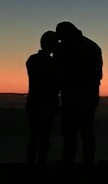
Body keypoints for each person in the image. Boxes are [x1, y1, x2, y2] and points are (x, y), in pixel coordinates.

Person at [55, 20, 103, 166]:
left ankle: (68, 164)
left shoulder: (65, 48)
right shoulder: (92, 46)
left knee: (70, 134)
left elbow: (60, 73)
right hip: (89, 96)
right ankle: (87, 163)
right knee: (87, 132)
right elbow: (97, 75)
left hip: (72, 97)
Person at [25, 30, 60, 167]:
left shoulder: (32, 60)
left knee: (34, 136)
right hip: (47, 103)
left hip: (33, 102)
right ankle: (41, 164)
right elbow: (55, 84)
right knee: (44, 137)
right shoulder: (52, 63)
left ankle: (32, 164)